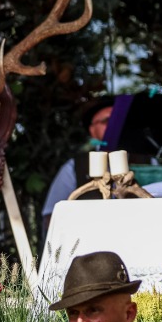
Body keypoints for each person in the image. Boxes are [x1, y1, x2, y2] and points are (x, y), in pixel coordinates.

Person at [41, 97, 116, 241]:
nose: (114, 125)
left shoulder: (149, 162)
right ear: (92, 130)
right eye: (107, 121)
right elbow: (51, 217)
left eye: (118, 120)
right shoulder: (75, 167)